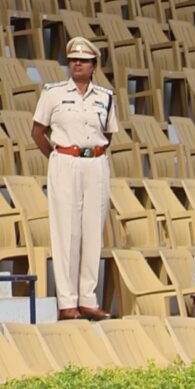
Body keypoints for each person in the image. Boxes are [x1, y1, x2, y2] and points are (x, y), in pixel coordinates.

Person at [31, 39, 116, 320]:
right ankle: (67, 302)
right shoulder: (53, 93)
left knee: (93, 230)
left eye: (83, 60)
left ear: (94, 66)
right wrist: (57, 158)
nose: (76, 64)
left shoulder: (105, 96)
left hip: (96, 162)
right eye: (72, 59)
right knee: (66, 231)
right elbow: (37, 131)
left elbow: (109, 133)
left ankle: (88, 299)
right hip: (65, 160)